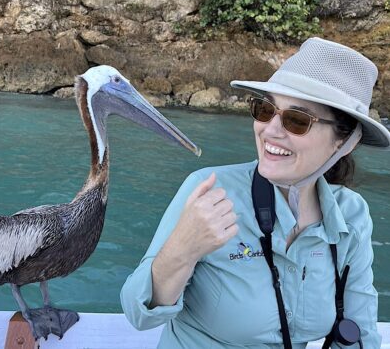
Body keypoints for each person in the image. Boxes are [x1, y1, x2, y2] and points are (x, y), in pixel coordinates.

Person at [120, 37, 389, 348]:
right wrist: (183, 249)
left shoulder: (351, 216)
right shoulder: (209, 191)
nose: (270, 129)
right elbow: (139, 315)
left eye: (297, 120)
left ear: (345, 142)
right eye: (265, 109)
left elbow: (360, 333)